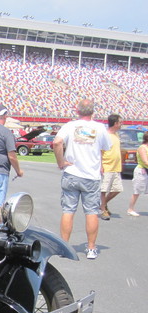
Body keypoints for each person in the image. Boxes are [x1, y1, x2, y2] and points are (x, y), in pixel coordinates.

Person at [52, 99, 112, 260]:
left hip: (72, 172)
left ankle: (64, 246)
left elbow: (57, 142)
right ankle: (91, 248)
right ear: (93, 111)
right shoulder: (99, 128)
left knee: (68, 210)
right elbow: (106, 147)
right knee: (91, 211)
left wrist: (61, 161)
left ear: (77, 111)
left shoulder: (70, 126)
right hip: (91, 175)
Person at [99, 114, 123, 220]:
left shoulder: (116, 135)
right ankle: (103, 210)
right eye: (120, 122)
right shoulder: (105, 135)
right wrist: (100, 165)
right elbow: (99, 151)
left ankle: (103, 204)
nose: (122, 124)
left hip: (116, 167)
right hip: (107, 166)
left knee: (117, 189)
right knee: (104, 189)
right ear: (115, 123)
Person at [127, 133, 148, 216]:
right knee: (137, 191)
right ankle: (130, 209)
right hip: (142, 171)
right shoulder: (142, 148)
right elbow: (145, 161)